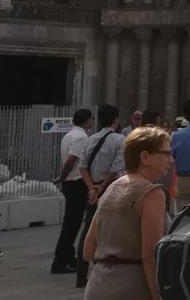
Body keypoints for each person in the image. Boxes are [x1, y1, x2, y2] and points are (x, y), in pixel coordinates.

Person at [81, 125, 169, 299]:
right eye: (166, 154)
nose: (171, 160)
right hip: (132, 288)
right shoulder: (152, 194)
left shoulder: (112, 188)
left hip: (98, 285)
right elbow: (150, 255)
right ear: (145, 157)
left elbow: (88, 250)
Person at [74, 104, 125, 289]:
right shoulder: (119, 139)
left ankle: (81, 274)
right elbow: (116, 167)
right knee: (113, 230)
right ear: (115, 120)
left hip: (93, 189)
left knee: (89, 229)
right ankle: (107, 270)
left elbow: (82, 166)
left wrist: (91, 188)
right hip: (110, 187)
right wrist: (102, 186)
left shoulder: (90, 139)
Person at [51, 107, 92, 274]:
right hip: (76, 183)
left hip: (70, 183)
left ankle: (69, 258)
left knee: (71, 223)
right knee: (72, 225)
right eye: (91, 119)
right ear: (86, 120)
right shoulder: (81, 137)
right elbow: (71, 160)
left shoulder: (69, 135)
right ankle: (60, 261)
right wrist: (62, 176)